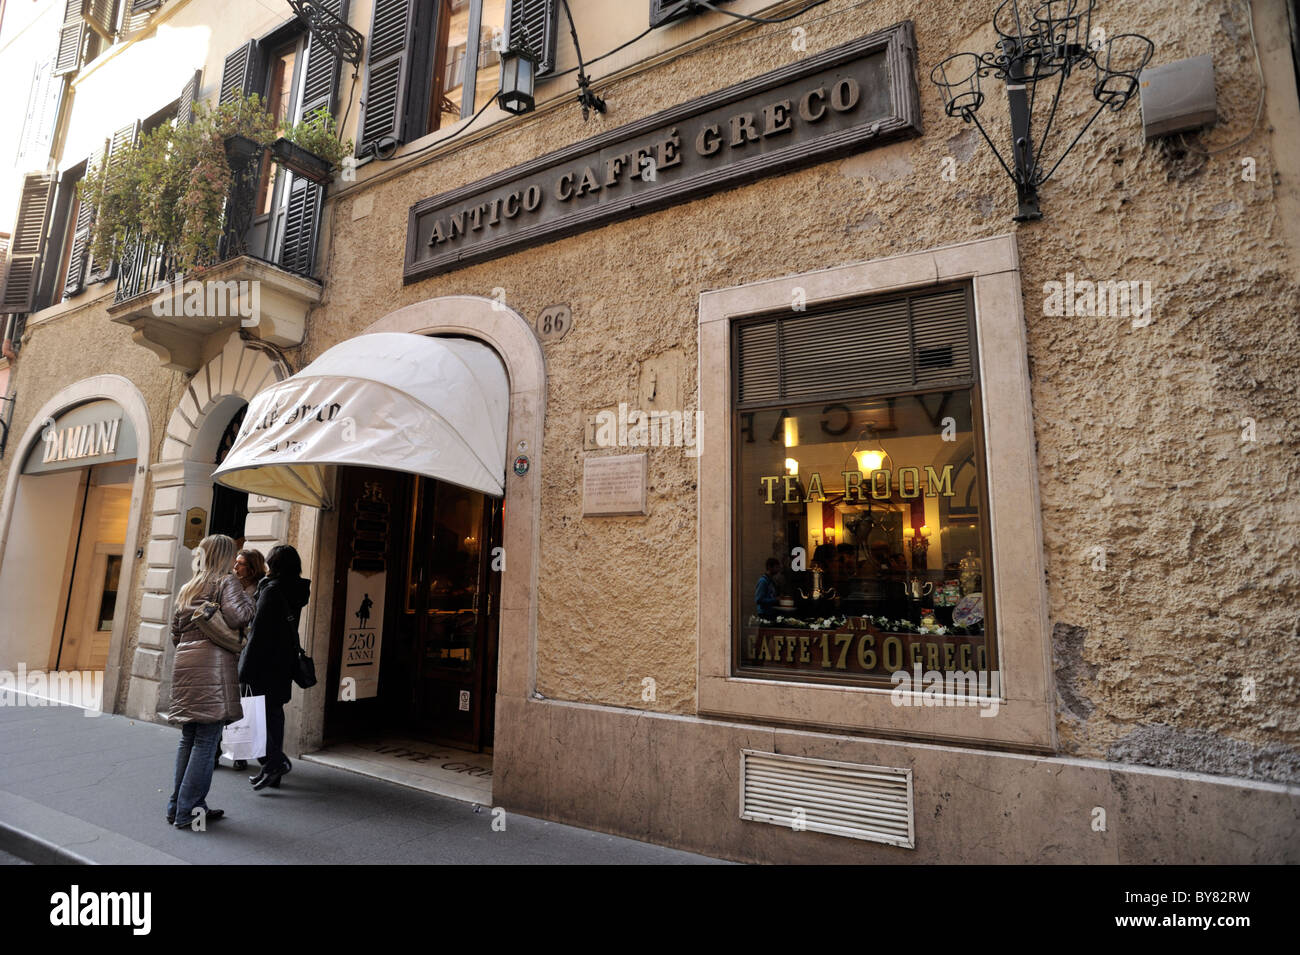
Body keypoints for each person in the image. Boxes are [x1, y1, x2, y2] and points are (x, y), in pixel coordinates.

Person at [167, 534, 254, 829]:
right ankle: (189, 810)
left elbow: (176, 634)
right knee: (206, 740)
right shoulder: (226, 582)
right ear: (225, 556)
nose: (235, 560)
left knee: (188, 737)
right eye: (233, 555)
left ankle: (177, 805)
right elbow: (239, 616)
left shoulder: (188, 586)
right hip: (212, 666)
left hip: (185, 665)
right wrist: (249, 597)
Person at [240, 544, 311, 791]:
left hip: (263, 662)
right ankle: (271, 770)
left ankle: (276, 762)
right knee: (274, 714)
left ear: (274, 564)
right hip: (284, 661)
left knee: (259, 717)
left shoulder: (271, 591)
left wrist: (244, 669)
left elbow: (257, 634)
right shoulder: (298, 589)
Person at [214, 548, 267, 772]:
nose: (235, 567)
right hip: (228, 648)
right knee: (222, 703)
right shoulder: (229, 585)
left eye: (241, 563)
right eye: (235, 562)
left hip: (246, 652)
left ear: (252, 567)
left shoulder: (260, 589)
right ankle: (215, 752)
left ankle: (240, 753)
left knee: (241, 704)